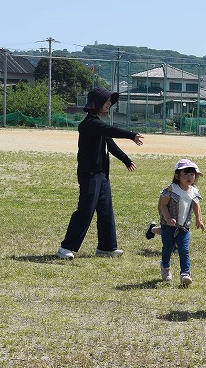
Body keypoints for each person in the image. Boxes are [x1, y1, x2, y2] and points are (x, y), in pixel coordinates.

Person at [56, 87, 144, 260]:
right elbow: (111, 131)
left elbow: (110, 144)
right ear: (96, 103)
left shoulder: (98, 126)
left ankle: (106, 248)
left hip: (102, 175)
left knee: (105, 211)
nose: (109, 103)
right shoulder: (90, 124)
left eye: (110, 101)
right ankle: (66, 247)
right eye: (106, 101)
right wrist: (131, 135)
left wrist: (126, 160)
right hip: (89, 174)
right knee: (85, 210)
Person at [155, 159, 205, 287]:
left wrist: (199, 219)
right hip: (168, 226)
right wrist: (168, 219)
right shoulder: (172, 188)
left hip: (184, 227)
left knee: (184, 250)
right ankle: (165, 267)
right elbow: (163, 204)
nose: (189, 177)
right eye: (185, 174)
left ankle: (185, 274)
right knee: (168, 248)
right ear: (177, 176)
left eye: (192, 174)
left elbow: (196, 205)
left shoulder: (194, 190)